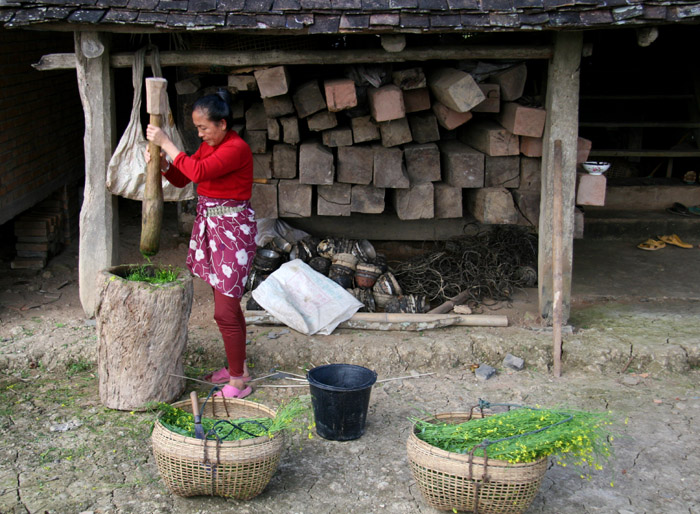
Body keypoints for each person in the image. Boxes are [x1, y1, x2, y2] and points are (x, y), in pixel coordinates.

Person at [145, 89, 256, 399]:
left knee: (225, 311)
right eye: (196, 128)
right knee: (228, 309)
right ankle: (239, 368)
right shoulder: (210, 146)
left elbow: (198, 172)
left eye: (203, 127)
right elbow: (184, 177)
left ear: (222, 124)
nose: (200, 133)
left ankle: (238, 383)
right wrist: (164, 162)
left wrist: (166, 142)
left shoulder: (236, 148)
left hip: (233, 234)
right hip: (214, 231)